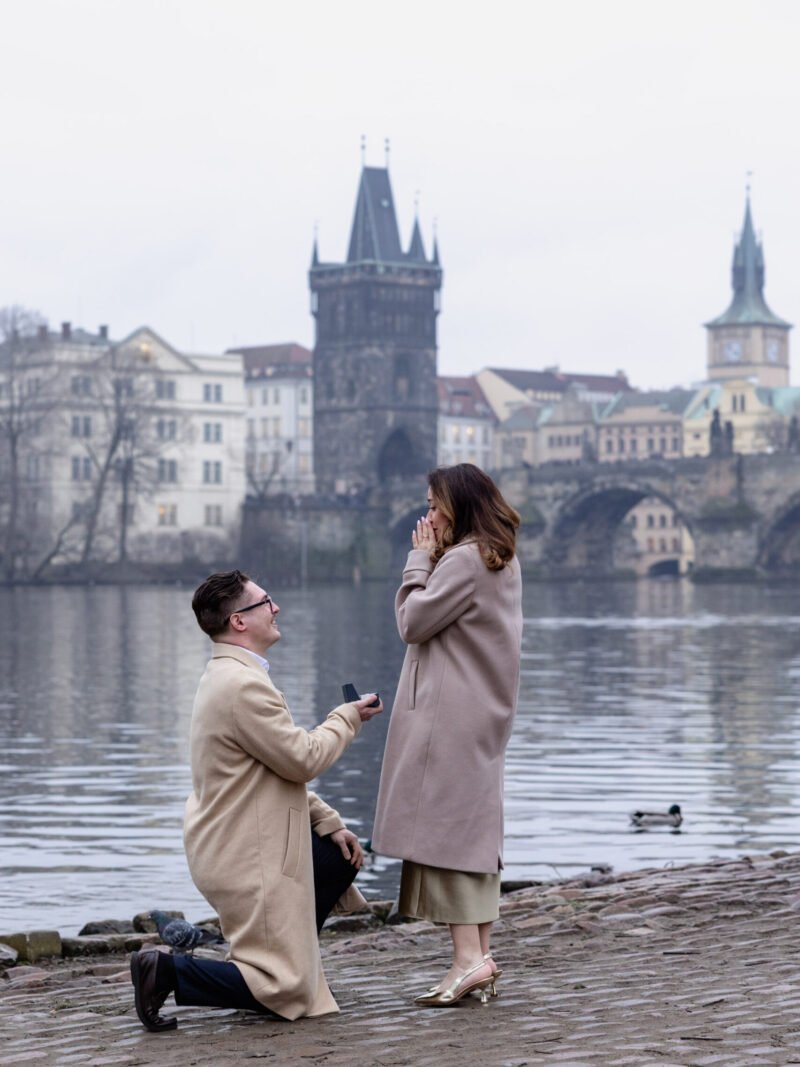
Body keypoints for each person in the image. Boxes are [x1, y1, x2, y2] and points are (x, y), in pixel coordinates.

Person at [130, 569, 383, 1031]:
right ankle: (165, 970)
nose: (276, 607)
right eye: (266, 601)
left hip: (244, 839)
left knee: (337, 858)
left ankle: (287, 960)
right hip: (246, 851)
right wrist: (346, 717)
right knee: (288, 993)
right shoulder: (241, 685)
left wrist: (327, 821)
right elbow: (302, 758)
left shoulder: (233, 675)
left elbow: (270, 772)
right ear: (239, 621)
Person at [371, 464, 522, 1007]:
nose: (428, 517)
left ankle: (467, 960)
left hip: (449, 717)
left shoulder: (462, 561)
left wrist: (417, 561)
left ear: (458, 507)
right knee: (473, 834)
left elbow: (413, 622)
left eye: (435, 505)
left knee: (449, 835)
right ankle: (478, 955)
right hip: (478, 713)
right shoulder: (497, 557)